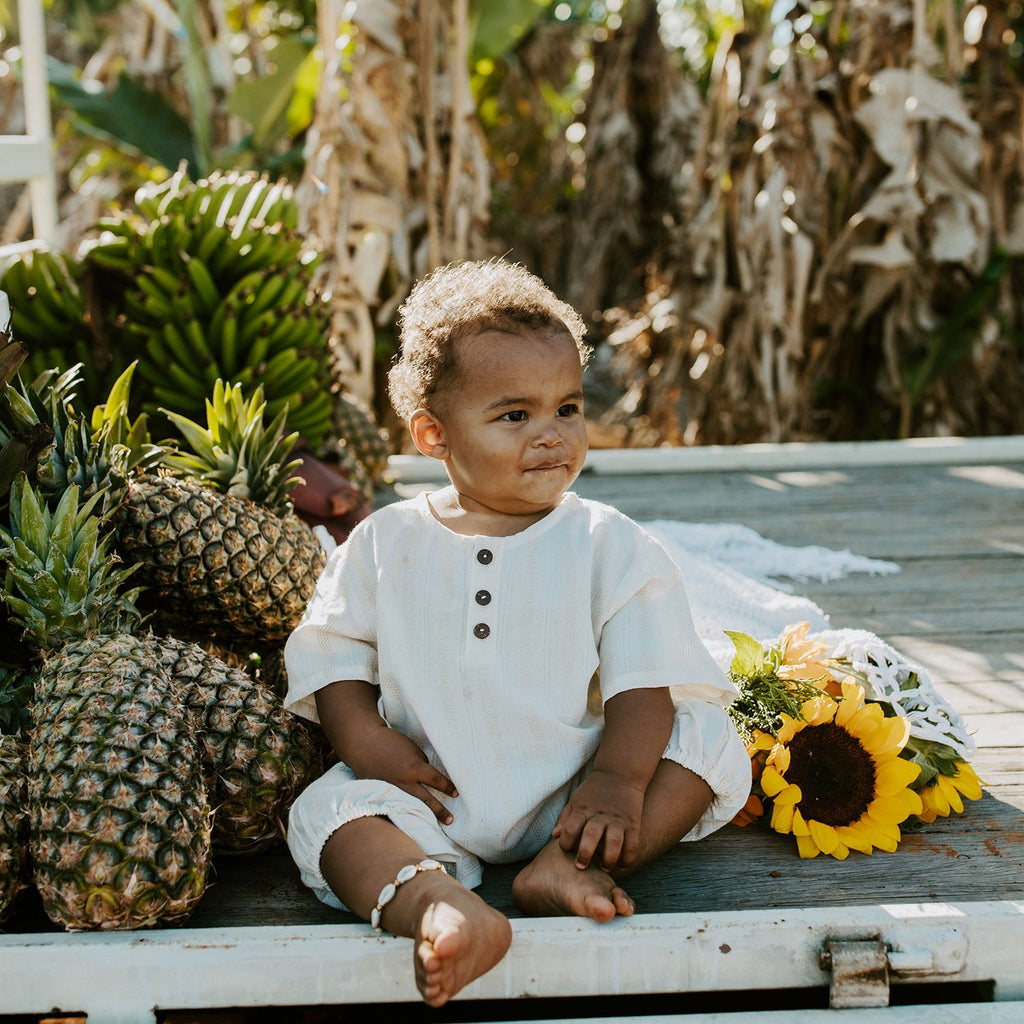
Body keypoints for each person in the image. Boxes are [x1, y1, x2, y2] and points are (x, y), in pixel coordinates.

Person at [283, 259, 751, 1007]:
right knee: (329, 815)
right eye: (514, 416)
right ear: (434, 434)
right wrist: (368, 745)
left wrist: (617, 784)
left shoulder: (607, 542)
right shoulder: (385, 540)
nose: (551, 435)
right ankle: (436, 907)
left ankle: (567, 866)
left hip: (582, 790)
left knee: (709, 744)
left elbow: (644, 682)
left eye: (567, 408)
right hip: (432, 793)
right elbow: (334, 656)